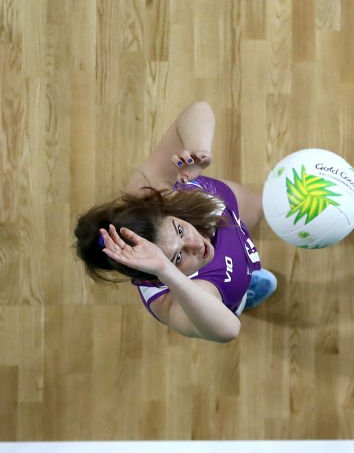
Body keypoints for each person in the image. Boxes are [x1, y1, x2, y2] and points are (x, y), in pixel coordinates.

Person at [74, 101, 277, 343]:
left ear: (160, 209)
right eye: (177, 258)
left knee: (266, 205)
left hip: (226, 209)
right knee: (217, 305)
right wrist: (166, 271)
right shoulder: (168, 302)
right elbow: (228, 330)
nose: (194, 244)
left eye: (179, 230)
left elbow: (198, 110)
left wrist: (198, 150)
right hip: (213, 295)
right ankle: (245, 290)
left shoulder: (147, 192)